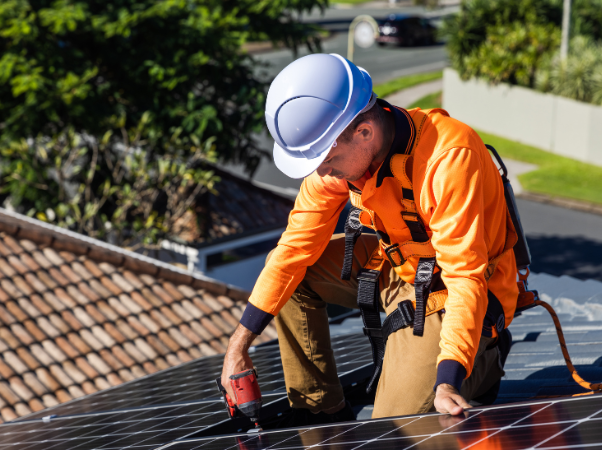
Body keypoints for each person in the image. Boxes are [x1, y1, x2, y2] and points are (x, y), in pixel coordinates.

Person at [221, 53, 517, 424]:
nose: (322, 172)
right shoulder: (340, 164)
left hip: (452, 294)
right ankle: (321, 415)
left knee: (396, 429)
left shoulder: (448, 159)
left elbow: (464, 279)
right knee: (292, 280)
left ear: (364, 131)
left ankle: (483, 361)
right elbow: (291, 252)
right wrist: (238, 346)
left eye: (327, 159)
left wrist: (447, 382)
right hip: (398, 267)